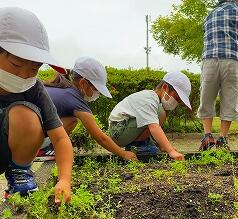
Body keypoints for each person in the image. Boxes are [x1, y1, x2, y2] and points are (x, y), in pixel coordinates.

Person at [0, 7, 73, 202]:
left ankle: (20, 174)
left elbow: (61, 139)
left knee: (24, 114)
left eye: (34, 68)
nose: (25, 75)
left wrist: (64, 180)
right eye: (16, 64)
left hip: (8, 152)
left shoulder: (34, 89)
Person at [37, 57, 137, 161]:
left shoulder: (61, 88)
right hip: (32, 139)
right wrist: (123, 154)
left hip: (25, 132)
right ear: (83, 83)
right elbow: (100, 137)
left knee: (70, 119)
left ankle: (46, 148)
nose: (97, 94)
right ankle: (44, 150)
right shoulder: (75, 99)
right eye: (96, 89)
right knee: (72, 121)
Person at [197, 0, 238, 150]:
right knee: (229, 98)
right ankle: (222, 138)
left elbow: (205, 37)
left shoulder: (210, 14)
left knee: (206, 96)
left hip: (209, 59)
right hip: (230, 60)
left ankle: (207, 136)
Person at [108, 71, 192, 160]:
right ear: (165, 87)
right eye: (177, 98)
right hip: (118, 131)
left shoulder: (154, 100)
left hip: (123, 129)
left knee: (159, 112)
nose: (177, 102)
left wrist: (164, 146)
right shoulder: (148, 100)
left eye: (179, 101)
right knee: (160, 112)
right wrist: (171, 151)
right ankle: (138, 146)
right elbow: (154, 127)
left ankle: (143, 144)